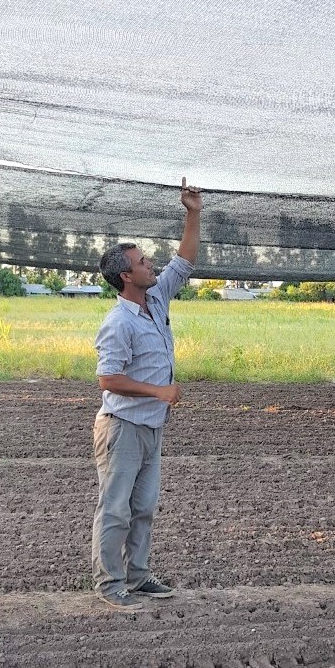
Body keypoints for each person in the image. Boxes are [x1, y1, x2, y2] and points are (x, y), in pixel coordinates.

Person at [91, 177, 202, 612]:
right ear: (126, 275)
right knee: (116, 509)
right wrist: (159, 390)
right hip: (122, 428)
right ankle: (110, 583)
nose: (151, 263)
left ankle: (138, 576)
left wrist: (192, 213)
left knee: (144, 508)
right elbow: (108, 379)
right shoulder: (117, 322)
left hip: (152, 426)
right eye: (142, 261)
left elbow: (184, 259)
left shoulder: (156, 300)